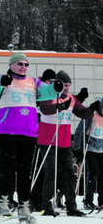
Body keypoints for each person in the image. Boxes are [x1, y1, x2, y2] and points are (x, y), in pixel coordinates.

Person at [0, 53, 39, 221]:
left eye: (26, 64)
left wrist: (56, 87)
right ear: (12, 64)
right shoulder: (6, 81)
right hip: (7, 131)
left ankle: (24, 205)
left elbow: (48, 92)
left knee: (25, 171)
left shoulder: (33, 82)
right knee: (7, 168)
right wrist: (0, 80)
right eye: (20, 63)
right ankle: (3, 201)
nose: (23, 66)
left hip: (28, 132)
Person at [33, 71, 91, 216]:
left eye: (69, 85)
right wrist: (60, 106)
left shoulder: (71, 99)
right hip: (48, 140)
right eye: (64, 85)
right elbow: (45, 110)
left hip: (64, 142)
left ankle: (71, 206)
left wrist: (93, 109)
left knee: (69, 173)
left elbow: (82, 113)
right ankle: (46, 205)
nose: (66, 88)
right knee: (50, 172)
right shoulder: (49, 95)